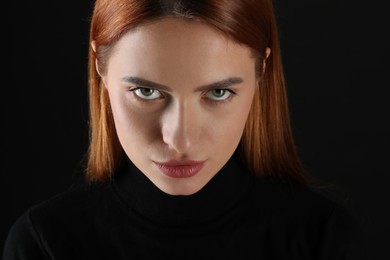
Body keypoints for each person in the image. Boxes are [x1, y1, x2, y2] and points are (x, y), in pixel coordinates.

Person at [3, 0, 367, 259]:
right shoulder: (44, 244)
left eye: (218, 92)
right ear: (100, 68)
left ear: (262, 71)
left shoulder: (324, 242)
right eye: (147, 92)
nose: (180, 140)